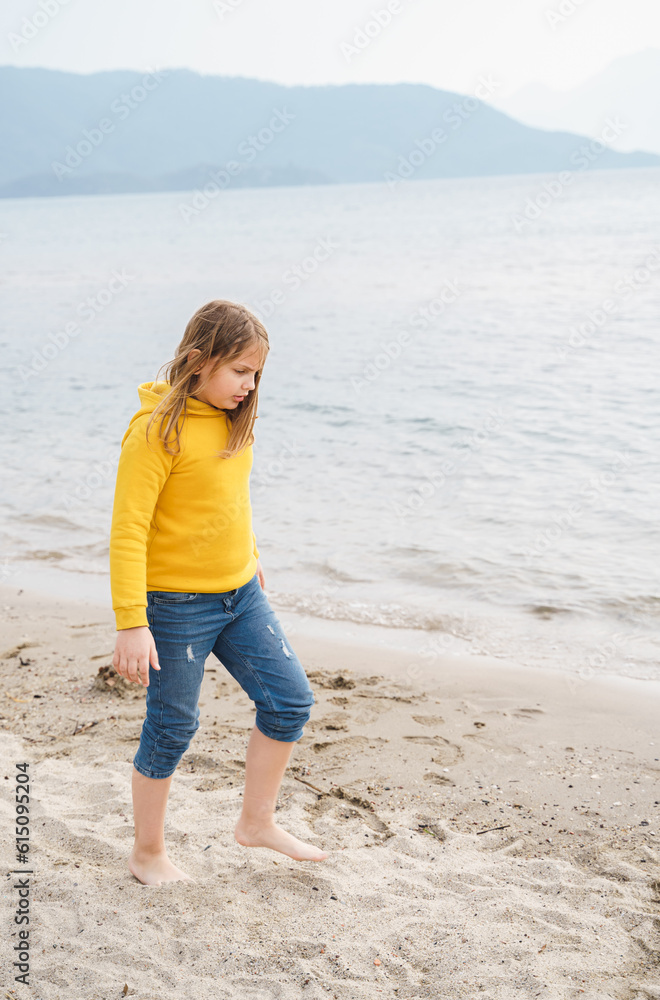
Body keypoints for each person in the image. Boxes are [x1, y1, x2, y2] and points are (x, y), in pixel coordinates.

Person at [109, 299, 327, 886]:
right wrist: (132, 622)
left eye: (256, 374)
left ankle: (256, 823)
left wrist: (250, 557)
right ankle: (147, 853)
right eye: (239, 372)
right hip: (176, 606)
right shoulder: (157, 432)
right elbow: (129, 529)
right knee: (173, 726)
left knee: (289, 702)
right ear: (199, 361)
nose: (249, 385)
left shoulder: (235, 419)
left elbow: (228, 500)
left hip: (240, 595)